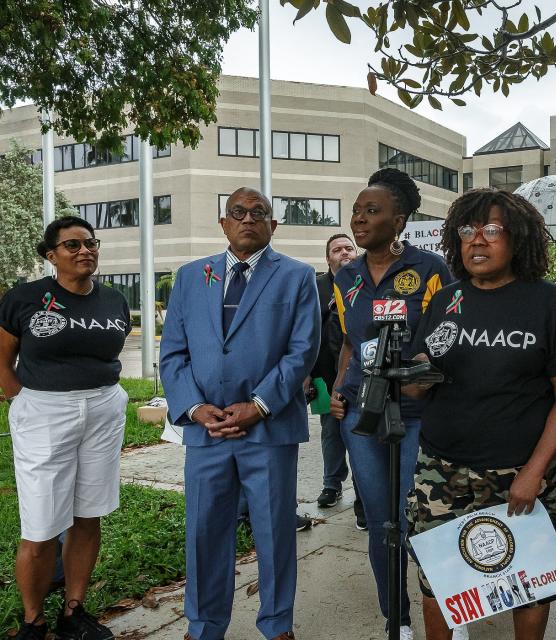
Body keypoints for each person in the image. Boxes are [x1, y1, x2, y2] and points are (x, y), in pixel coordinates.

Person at [408, 189, 556, 640]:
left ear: (517, 240)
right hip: (442, 469)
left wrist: (535, 471)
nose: (478, 241)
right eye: (468, 230)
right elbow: (417, 384)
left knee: (528, 584)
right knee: (439, 582)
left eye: (491, 230)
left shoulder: (547, 303)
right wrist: (403, 374)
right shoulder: (445, 300)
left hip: (523, 473)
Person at [159, 187, 320, 640]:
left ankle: (277, 625)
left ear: (273, 225)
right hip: (206, 433)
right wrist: (194, 407)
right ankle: (205, 625)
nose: (248, 219)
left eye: (259, 213)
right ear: (223, 223)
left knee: (274, 534)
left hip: (267, 430)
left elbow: (302, 350)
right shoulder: (192, 276)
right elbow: (173, 352)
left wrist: (261, 404)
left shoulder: (296, 276)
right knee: (205, 533)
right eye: (238, 212)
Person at [329, 168, 452, 639]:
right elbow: (347, 340)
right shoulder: (348, 277)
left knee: (417, 518)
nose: (359, 219)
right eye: (357, 211)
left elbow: (446, 337)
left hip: (419, 413)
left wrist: (425, 374)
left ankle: (444, 614)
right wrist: (340, 389)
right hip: (362, 413)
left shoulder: (431, 270)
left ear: (398, 220)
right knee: (381, 521)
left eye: (372, 211)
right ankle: (395, 619)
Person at [0, 216, 130, 640]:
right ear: (50, 255)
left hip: (102, 409)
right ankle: (33, 622)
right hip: (44, 410)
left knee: (87, 515)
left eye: (90, 243)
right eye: (72, 245)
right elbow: (2, 360)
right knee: (39, 527)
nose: (84, 251)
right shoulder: (25, 298)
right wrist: (23, 400)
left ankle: (74, 612)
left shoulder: (113, 300)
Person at [311, 233, 366, 529]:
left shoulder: (364, 282)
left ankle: (364, 496)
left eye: (348, 248)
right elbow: (307, 333)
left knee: (359, 435)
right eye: (337, 249)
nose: (344, 252)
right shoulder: (316, 287)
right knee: (331, 432)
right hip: (324, 376)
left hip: (357, 377)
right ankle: (332, 485)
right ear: (328, 258)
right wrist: (307, 375)